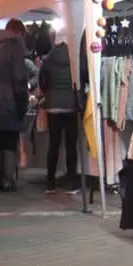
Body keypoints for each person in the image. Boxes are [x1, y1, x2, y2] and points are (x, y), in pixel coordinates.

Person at [0, 19, 29, 192]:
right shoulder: (16, 50)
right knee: (9, 142)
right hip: (11, 102)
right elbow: (19, 80)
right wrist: (22, 104)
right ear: (17, 33)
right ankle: (7, 180)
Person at [39, 29, 79, 194]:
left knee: (54, 145)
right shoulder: (74, 58)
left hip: (53, 106)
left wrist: (49, 92)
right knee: (71, 145)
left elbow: (42, 81)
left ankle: (50, 182)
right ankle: (71, 181)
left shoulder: (48, 59)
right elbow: (81, 78)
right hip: (71, 105)